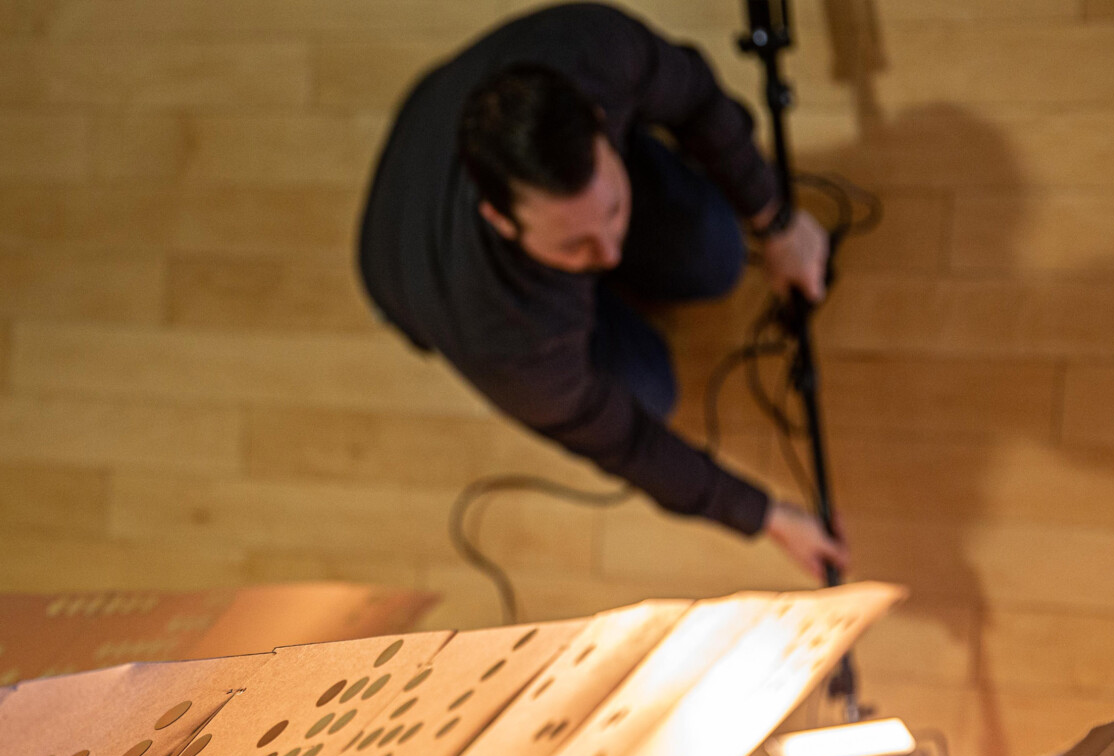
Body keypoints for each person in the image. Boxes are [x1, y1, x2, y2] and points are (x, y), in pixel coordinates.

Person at [357, 2, 849, 579]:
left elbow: (695, 97)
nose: (609, 253)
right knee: (650, 393)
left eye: (613, 208)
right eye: (575, 245)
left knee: (717, 255)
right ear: (500, 220)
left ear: (598, 120)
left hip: (439, 101)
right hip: (409, 255)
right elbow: (627, 442)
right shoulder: (507, 342)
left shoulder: (594, 50)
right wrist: (767, 516)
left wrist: (775, 219)